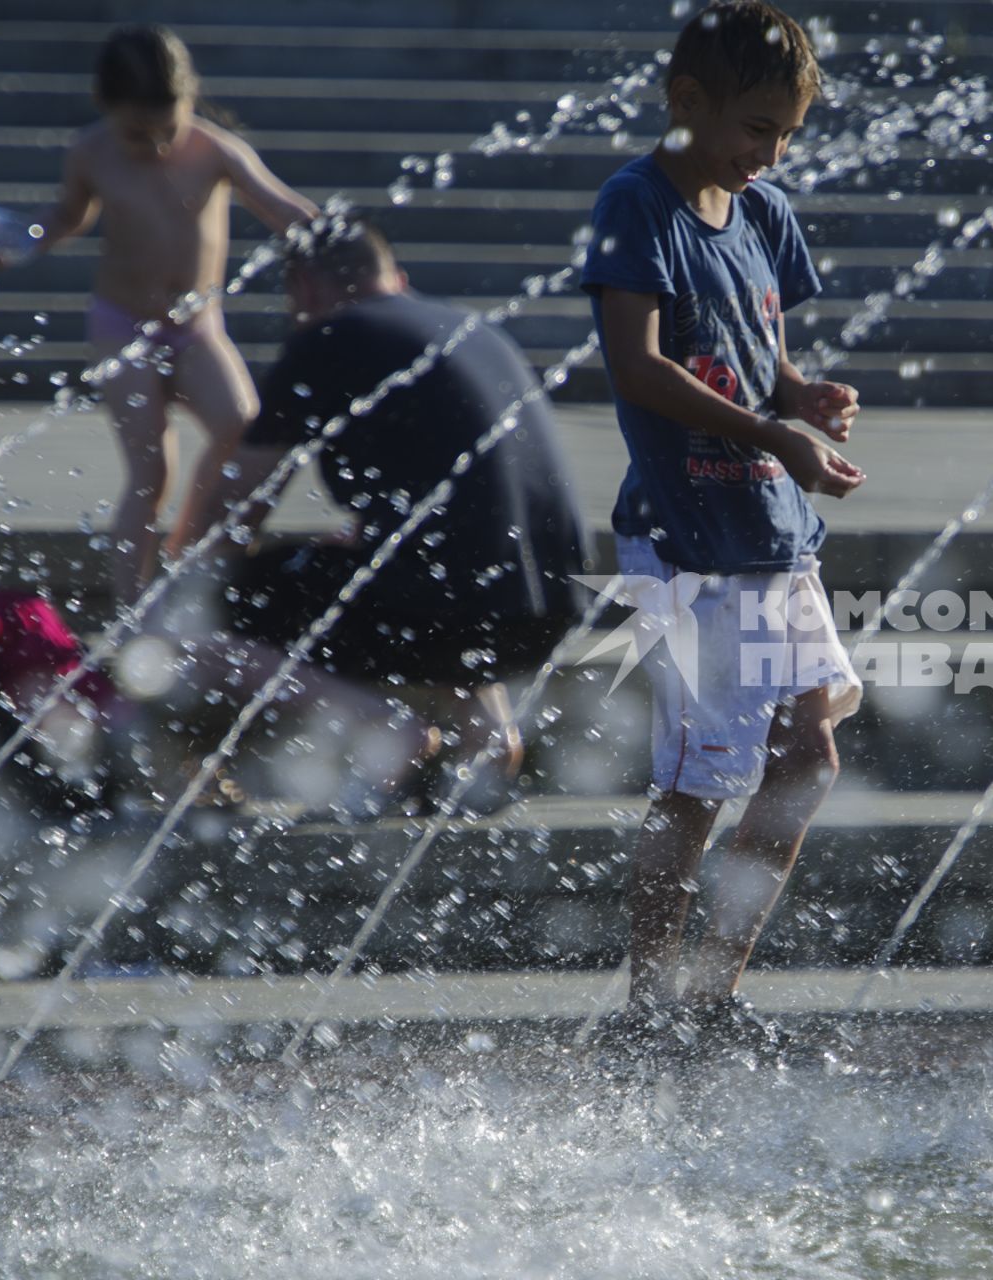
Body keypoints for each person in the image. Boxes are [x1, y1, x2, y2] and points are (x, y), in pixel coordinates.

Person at [580, 1, 865, 1042]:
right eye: (755, 128)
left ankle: (715, 985)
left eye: (786, 132)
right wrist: (774, 432)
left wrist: (805, 400)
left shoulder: (765, 214)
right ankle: (650, 1004)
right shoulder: (636, 206)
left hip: (774, 535)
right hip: (689, 547)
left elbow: (759, 358)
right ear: (686, 101)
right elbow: (637, 368)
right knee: (697, 784)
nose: (771, 151)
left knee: (810, 755)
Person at [176, 217, 589, 809]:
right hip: (548, 612)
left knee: (210, 604)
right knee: (433, 568)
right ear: (395, 275)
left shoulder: (328, 337)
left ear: (305, 289)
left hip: (442, 607)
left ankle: (379, 723)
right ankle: (486, 735)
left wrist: (178, 587)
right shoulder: (469, 328)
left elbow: (239, 505)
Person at [0, 25, 318, 603]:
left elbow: (277, 203)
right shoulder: (91, 152)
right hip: (124, 327)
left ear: (190, 99)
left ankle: (192, 544)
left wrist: (329, 235)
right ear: (106, 108)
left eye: (168, 128)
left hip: (196, 327)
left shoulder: (214, 149)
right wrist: (22, 241)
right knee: (150, 471)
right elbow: (66, 218)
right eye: (138, 135)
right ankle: (128, 605)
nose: (158, 146)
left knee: (242, 427)